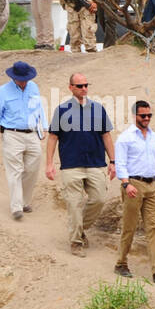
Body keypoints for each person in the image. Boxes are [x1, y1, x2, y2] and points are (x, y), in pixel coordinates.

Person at [45, 72, 116, 257]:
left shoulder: (98, 109)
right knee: (74, 204)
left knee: (99, 199)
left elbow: (106, 135)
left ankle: (78, 229)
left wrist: (113, 161)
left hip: (95, 162)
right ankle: (76, 242)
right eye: (79, 86)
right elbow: (53, 137)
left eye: (86, 85)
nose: (84, 88)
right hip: (71, 165)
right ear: (71, 88)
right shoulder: (61, 110)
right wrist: (49, 164)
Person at [114, 99, 155, 282]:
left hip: (152, 185)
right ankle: (121, 263)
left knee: (154, 226)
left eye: (149, 115)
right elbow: (121, 163)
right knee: (129, 225)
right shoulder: (125, 137)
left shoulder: (153, 136)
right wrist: (126, 184)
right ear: (135, 116)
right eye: (143, 115)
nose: (147, 118)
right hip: (134, 183)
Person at [0, 61, 47, 220]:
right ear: (14, 77)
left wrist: (44, 126)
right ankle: (16, 207)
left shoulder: (34, 87)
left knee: (32, 169)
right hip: (12, 134)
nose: (24, 82)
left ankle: (25, 201)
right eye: (21, 79)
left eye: (26, 79)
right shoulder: (2, 92)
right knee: (15, 171)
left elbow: (39, 107)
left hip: (32, 133)